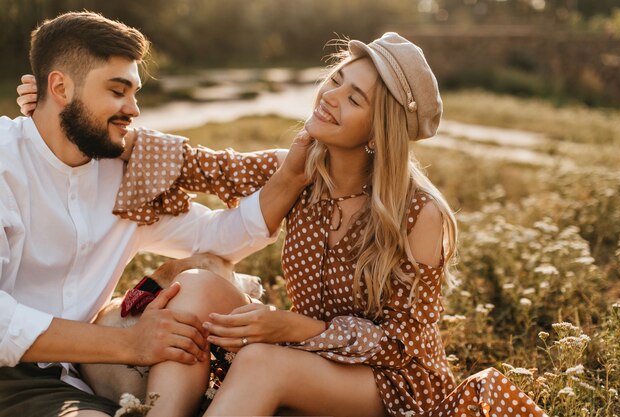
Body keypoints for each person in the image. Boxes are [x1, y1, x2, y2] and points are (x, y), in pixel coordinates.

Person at [67, 32, 547, 417]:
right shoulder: (298, 169)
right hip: (312, 355)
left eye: (354, 97)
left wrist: (296, 329)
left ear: (381, 130)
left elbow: (401, 345)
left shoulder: (420, 214)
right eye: (337, 79)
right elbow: (199, 165)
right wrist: (69, 113)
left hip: (394, 386)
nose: (331, 96)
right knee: (195, 285)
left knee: (260, 363)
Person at [2, 11, 310, 417]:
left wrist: (292, 176)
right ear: (59, 86)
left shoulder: (124, 177)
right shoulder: (6, 162)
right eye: (117, 91)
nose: (133, 109)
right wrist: (130, 344)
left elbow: (217, 237)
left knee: (200, 282)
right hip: (11, 376)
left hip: (84, 371)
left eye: (135, 93)